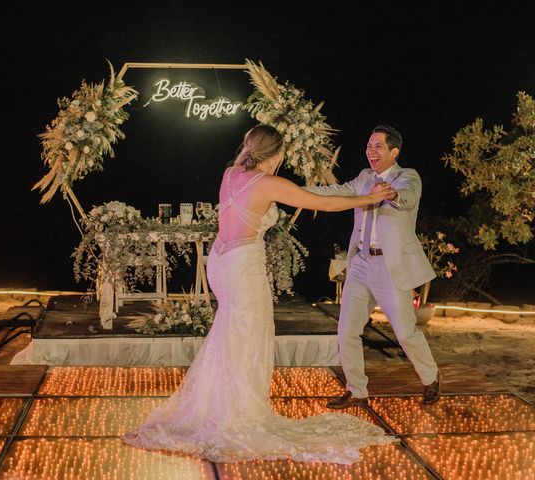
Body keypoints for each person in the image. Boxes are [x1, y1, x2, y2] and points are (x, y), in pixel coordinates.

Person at [122, 125, 395, 463]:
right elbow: (322, 203)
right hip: (242, 267)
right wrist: (370, 198)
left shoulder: (229, 173)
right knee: (249, 336)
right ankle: (238, 416)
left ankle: (219, 407)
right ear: (277, 154)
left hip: (220, 262)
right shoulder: (269, 183)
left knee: (229, 335)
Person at [305, 125, 441, 409]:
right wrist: (294, 191)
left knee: (404, 332)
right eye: (368, 145)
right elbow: (335, 191)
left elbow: (408, 198)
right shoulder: (365, 177)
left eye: (378, 146)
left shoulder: (408, 177)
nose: (371, 151)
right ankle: (356, 390)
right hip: (361, 263)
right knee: (347, 330)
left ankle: (430, 376)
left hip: (390, 268)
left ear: (394, 151)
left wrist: (390, 195)